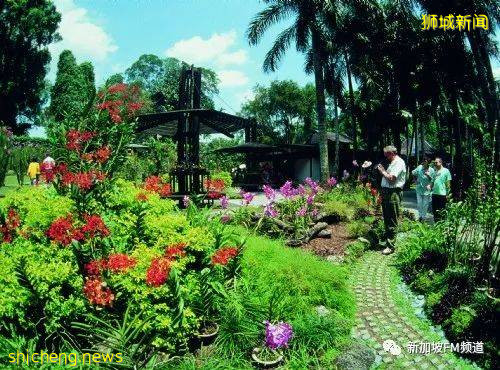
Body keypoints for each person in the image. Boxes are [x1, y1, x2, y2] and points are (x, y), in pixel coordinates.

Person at [376, 145, 406, 255]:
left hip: (393, 193)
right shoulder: (392, 163)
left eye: (386, 155)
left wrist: (382, 171)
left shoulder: (399, 162)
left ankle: (391, 246)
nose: (385, 157)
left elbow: (392, 179)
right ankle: (388, 241)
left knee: (392, 219)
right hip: (387, 192)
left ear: (392, 153)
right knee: (387, 218)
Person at [412, 156, 434, 221]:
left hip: (427, 190)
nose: (424, 162)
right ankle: (420, 216)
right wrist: (415, 180)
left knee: (425, 204)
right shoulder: (419, 167)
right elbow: (413, 172)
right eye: (423, 161)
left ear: (428, 162)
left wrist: (428, 175)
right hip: (419, 188)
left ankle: (423, 217)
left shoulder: (431, 170)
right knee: (419, 203)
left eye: (425, 161)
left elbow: (433, 180)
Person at [431, 157, 451, 222]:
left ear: (440, 162)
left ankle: (442, 225)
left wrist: (448, 194)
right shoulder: (435, 172)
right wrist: (429, 186)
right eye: (434, 163)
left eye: (436, 162)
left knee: (442, 211)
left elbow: (448, 183)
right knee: (435, 211)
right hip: (434, 194)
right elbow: (432, 182)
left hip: (442, 194)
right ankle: (436, 226)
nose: (435, 164)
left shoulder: (446, 171)